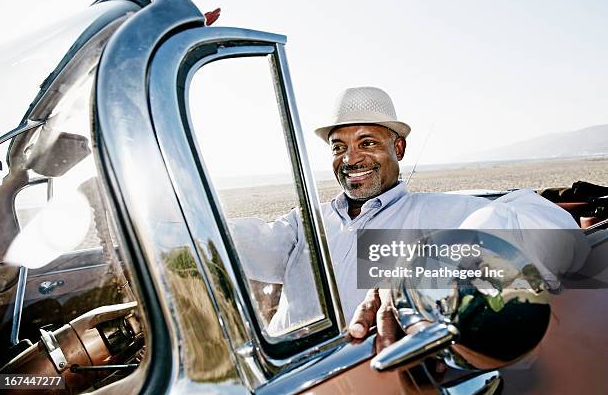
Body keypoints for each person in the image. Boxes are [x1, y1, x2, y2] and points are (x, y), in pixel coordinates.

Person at [231, 86, 584, 336]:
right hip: (285, 373)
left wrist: (421, 277)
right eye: (340, 147)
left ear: (397, 147)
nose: (351, 159)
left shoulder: (441, 214)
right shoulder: (303, 221)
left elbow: (561, 234)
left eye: (367, 143)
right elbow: (232, 244)